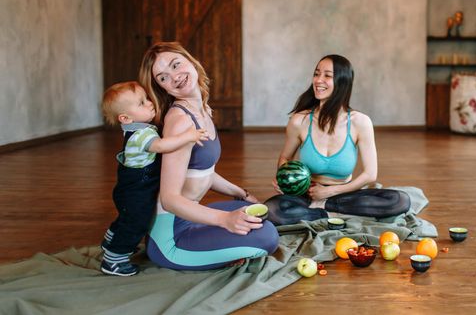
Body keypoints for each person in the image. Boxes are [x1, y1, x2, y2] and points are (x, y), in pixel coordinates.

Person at [138, 41, 279, 270]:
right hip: (172, 239)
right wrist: (225, 220)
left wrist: (242, 194)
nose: (174, 77)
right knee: (267, 238)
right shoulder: (180, 120)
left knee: (259, 216)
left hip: (189, 218)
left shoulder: (201, 108)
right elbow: (169, 199)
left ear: (191, 61)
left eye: (176, 65)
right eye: (163, 78)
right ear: (161, 87)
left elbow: (202, 173)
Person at [265, 55, 410, 225]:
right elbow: (285, 157)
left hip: (343, 194)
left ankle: (327, 208)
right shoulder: (300, 121)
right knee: (272, 210)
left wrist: (329, 193)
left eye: (327, 75)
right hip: (307, 195)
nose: (318, 80)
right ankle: (329, 216)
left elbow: (370, 175)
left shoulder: (360, 122)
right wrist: (285, 179)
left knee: (400, 200)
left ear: (342, 82)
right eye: (316, 74)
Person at [100, 81, 209, 276]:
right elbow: (161, 146)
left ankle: (111, 238)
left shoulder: (139, 129)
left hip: (130, 188)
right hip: (136, 190)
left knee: (127, 217)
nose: (150, 103)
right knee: (136, 223)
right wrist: (188, 136)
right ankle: (114, 259)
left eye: (147, 99)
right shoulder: (140, 135)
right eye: (141, 103)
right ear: (125, 118)